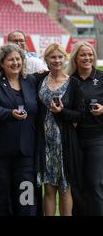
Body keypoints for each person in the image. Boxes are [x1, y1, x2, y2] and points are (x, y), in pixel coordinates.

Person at [0, 44, 38, 216]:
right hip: (1, 152)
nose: (15, 63)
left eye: (18, 59)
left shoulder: (31, 81)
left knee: (26, 196)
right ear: (1, 63)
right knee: (2, 197)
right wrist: (10, 113)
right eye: (11, 60)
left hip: (26, 152)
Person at [34, 43, 84, 216]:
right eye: (52, 57)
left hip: (65, 143)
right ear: (46, 59)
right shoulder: (38, 79)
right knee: (48, 190)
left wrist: (63, 112)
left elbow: (80, 115)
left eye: (59, 57)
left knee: (65, 190)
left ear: (65, 58)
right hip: (44, 142)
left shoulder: (74, 84)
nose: (56, 60)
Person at [68, 41, 103, 215]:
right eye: (83, 54)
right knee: (76, 185)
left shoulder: (101, 78)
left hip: (97, 138)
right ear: (76, 57)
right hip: (74, 138)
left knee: (94, 183)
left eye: (90, 54)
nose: (87, 58)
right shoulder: (69, 79)